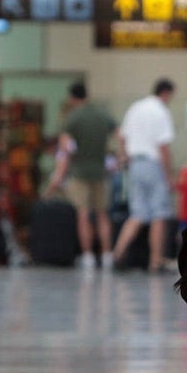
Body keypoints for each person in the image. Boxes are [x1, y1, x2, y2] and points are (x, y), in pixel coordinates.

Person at [44, 82, 118, 271]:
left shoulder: (72, 118)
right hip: (101, 172)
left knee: (83, 215)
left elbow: (67, 148)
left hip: (80, 173)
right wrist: (120, 158)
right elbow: (120, 135)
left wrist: (58, 177)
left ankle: (88, 256)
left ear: (72, 98)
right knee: (102, 214)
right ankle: (107, 255)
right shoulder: (102, 115)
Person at [110, 79, 177, 273]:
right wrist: (169, 175)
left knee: (138, 213)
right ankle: (156, 262)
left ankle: (117, 254)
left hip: (135, 165)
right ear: (166, 93)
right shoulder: (161, 111)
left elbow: (121, 136)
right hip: (153, 164)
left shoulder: (135, 108)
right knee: (159, 214)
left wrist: (125, 158)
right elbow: (163, 147)